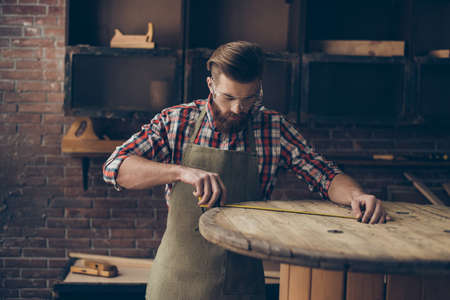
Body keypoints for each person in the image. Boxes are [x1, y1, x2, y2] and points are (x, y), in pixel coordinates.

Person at [103, 41, 389, 300]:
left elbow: (324, 174)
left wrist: (356, 195)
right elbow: (115, 167)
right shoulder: (176, 121)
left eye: (250, 97)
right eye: (228, 97)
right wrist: (182, 172)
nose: (239, 108)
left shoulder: (274, 127)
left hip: (241, 284)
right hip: (176, 282)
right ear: (210, 86)